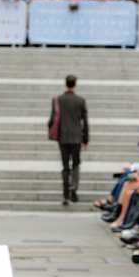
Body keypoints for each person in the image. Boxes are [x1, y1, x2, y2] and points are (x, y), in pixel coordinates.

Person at [49, 75, 89, 205]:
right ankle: (73, 190)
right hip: (76, 137)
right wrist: (86, 138)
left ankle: (65, 194)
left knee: (65, 166)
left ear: (66, 84)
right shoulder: (80, 100)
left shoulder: (58, 100)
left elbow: (52, 119)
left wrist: (52, 131)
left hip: (63, 137)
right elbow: (85, 121)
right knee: (76, 164)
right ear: (75, 84)